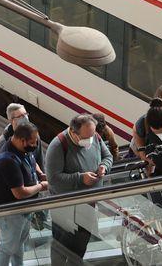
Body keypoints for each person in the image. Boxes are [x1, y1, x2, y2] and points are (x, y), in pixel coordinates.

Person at [45, 114, 113, 266]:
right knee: (61, 246)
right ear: (74, 133)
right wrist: (80, 178)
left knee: (81, 243)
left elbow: (107, 156)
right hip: (65, 208)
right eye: (87, 136)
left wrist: (104, 166)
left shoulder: (94, 136)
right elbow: (53, 180)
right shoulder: (57, 146)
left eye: (92, 135)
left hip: (88, 204)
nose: (91, 140)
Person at [0, 121, 48, 266]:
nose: (35, 145)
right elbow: (19, 193)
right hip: (11, 213)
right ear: (22, 140)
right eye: (32, 142)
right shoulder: (7, 161)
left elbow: (32, 160)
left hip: (23, 210)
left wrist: (40, 173)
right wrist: (41, 186)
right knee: (7, 248)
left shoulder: (22, 150)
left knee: (18, 244)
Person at [0, 103, 45, 180]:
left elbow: (38, 159)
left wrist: (41, 176)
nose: (25, 118)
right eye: (20, 116)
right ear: (12, 120)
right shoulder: (3, 143)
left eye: (25, 114)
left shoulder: (34, 134)